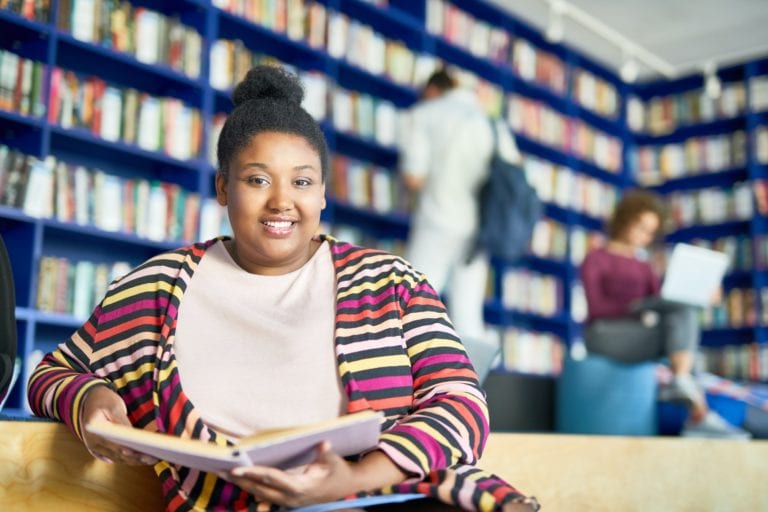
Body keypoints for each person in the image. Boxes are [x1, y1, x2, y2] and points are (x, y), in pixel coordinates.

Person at [27, 65, 539, 511]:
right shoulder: (155, 291)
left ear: (321, 193)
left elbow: (461, 404)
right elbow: (51, 374)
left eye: (301, 181)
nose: (281, 202)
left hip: (382, 499)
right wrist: (90, 395)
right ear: (224, 187)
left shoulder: (392, 283)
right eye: (256, 180)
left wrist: (357, 478)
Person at [580, 189, 750, 439]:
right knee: (678, 332)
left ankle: (683, 385)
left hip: (640, 333)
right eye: (640, 227)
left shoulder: (644, 265)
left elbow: (665, 305)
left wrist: (701, 296)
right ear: (624, 220)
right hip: (603, 333)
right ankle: (698, 414)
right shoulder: (596, 258)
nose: (643, 236)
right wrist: (638, 307)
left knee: (683, 310)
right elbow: (596, 308)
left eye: (650, 232)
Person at [399, 68, 521, 379]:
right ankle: (473, 395)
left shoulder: (425, 114)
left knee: (413, 304)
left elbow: (414, 178)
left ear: (432, 90)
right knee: (468, 314)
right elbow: (514, 167)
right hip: (479, 230)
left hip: (438, 219)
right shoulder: (491, 121)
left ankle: (404, 388)